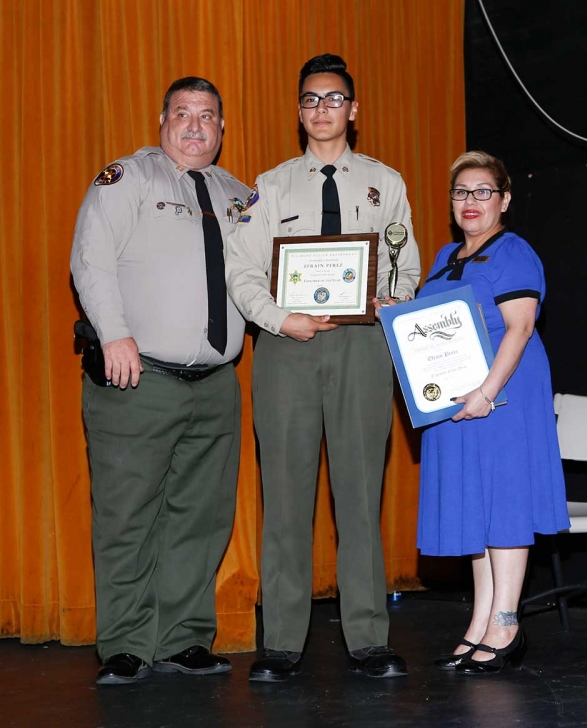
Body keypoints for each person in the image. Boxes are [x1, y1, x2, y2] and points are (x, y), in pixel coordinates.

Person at [225, 53, 420, 682]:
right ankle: (281, 642)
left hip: (363, 345)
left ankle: (368, 637)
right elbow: (243, 269)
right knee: (285, 495)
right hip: (287, 346)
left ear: (353, 109)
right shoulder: (273, 184)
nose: (321, 110)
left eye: (333, 99)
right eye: (310, 100)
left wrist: (396, 299)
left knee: (360, 492)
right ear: (299, 110)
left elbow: (405, 264)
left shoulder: (384, 183)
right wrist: (281, 319)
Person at [70, 77, 250, 685]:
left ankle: (183, 639)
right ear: (162, 121)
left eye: (207, 116)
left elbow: (270, 273)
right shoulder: (128, 180)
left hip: (217, 383)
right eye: (183, 114)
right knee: (127, 516)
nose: (195, 126)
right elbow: (89, 259)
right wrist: (114, 333)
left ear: (222, 129)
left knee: (201, 518)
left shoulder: (239, 195)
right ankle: (124, 642)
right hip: (138, 378)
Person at [416, 151, 570, 675]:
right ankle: (480, 623)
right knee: (476, 511)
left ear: (503, 199)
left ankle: (506, 623)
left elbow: (521, 328)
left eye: (483, 191)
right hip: (457, 403)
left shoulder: (513, 251)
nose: (471, 201)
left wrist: (485, 390)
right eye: (461, 192)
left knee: (502, 506)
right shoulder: (443, 256)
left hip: (503, 396)